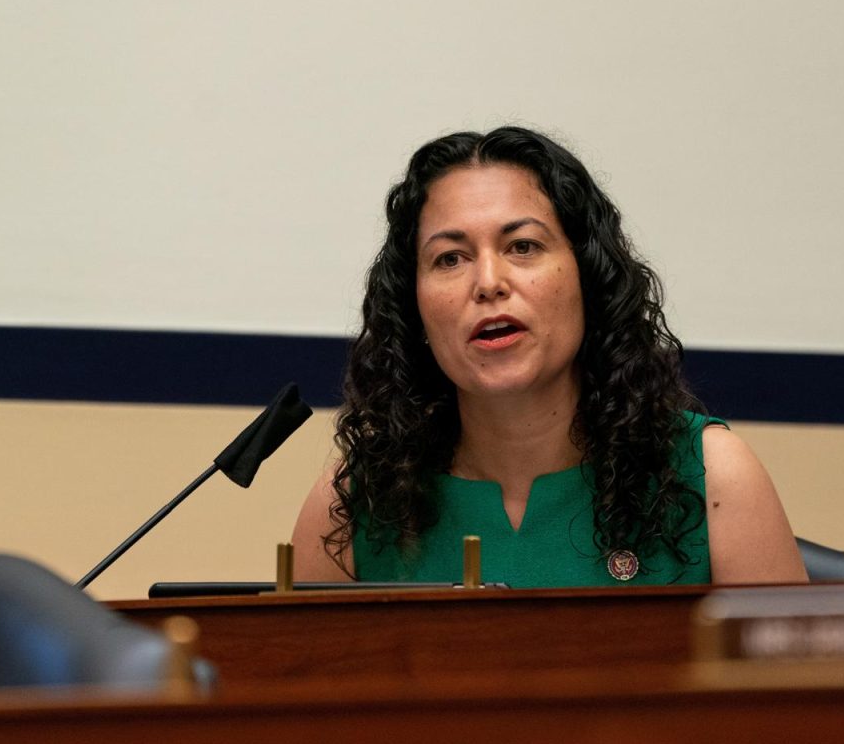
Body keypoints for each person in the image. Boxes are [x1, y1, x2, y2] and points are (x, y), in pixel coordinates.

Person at [292, 126, 806, 586]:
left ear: (589, 278)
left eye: (523, 247)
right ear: (415, 309)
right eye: (450, 258)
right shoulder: (351, 504)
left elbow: (793, 691)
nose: (488, 283)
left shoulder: (712, 477)